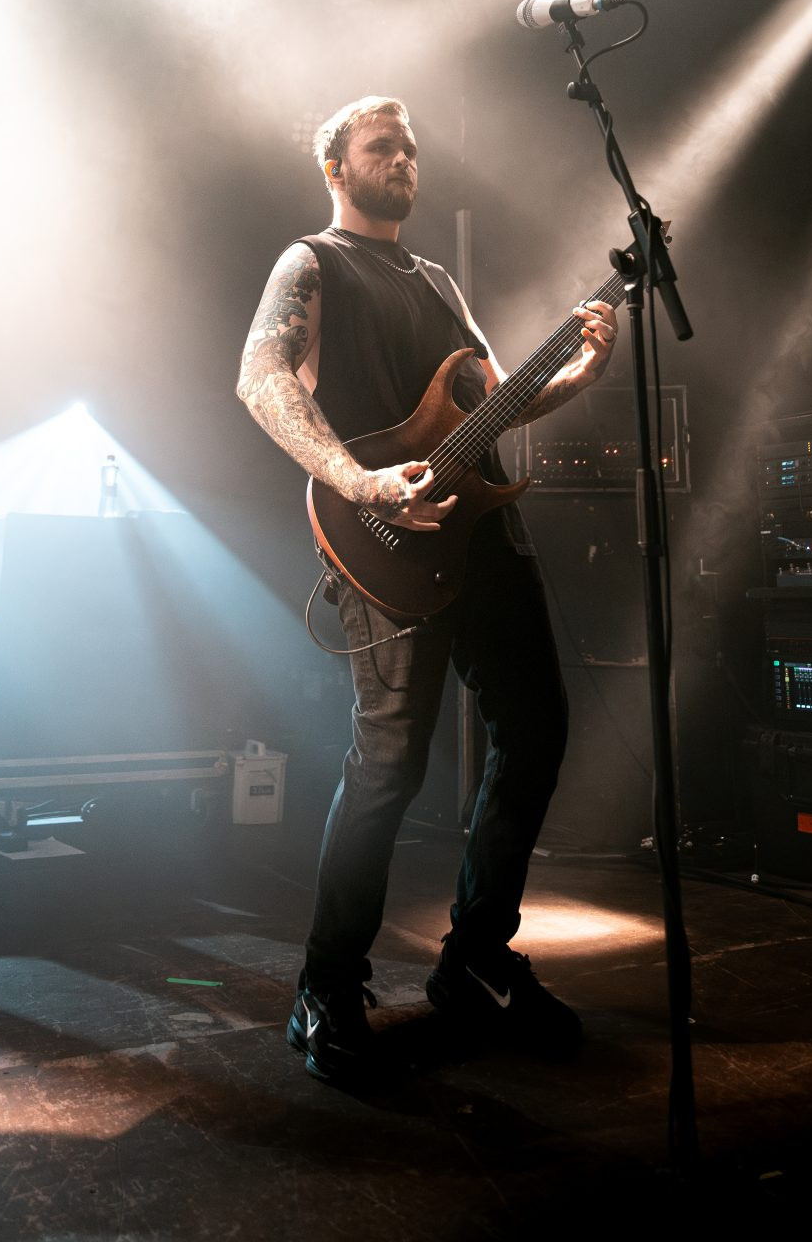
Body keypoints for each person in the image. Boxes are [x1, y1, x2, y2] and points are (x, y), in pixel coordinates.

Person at [236, 95, 618, 1082]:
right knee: (389, 766)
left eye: (409, 146)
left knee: (536, 729)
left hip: (483, 533)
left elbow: (495, 401)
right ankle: (325, 986)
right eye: (382, 146)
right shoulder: (312, 262)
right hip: (383, 537)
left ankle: (476, 961)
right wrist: (362, 481)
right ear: (336, 166)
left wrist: (579, 373)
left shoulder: (439, 279)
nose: (403, 158)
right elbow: (261, 379)